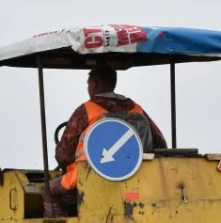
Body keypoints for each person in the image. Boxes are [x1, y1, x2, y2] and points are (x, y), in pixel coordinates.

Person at [51, 65, 168, 201]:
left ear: (94, 84)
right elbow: (160, 144)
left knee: (48, 190)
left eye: (88, 84)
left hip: (90, 176)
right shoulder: (136, 109)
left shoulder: (85, 111)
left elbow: (63, 155)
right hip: (138, 177)